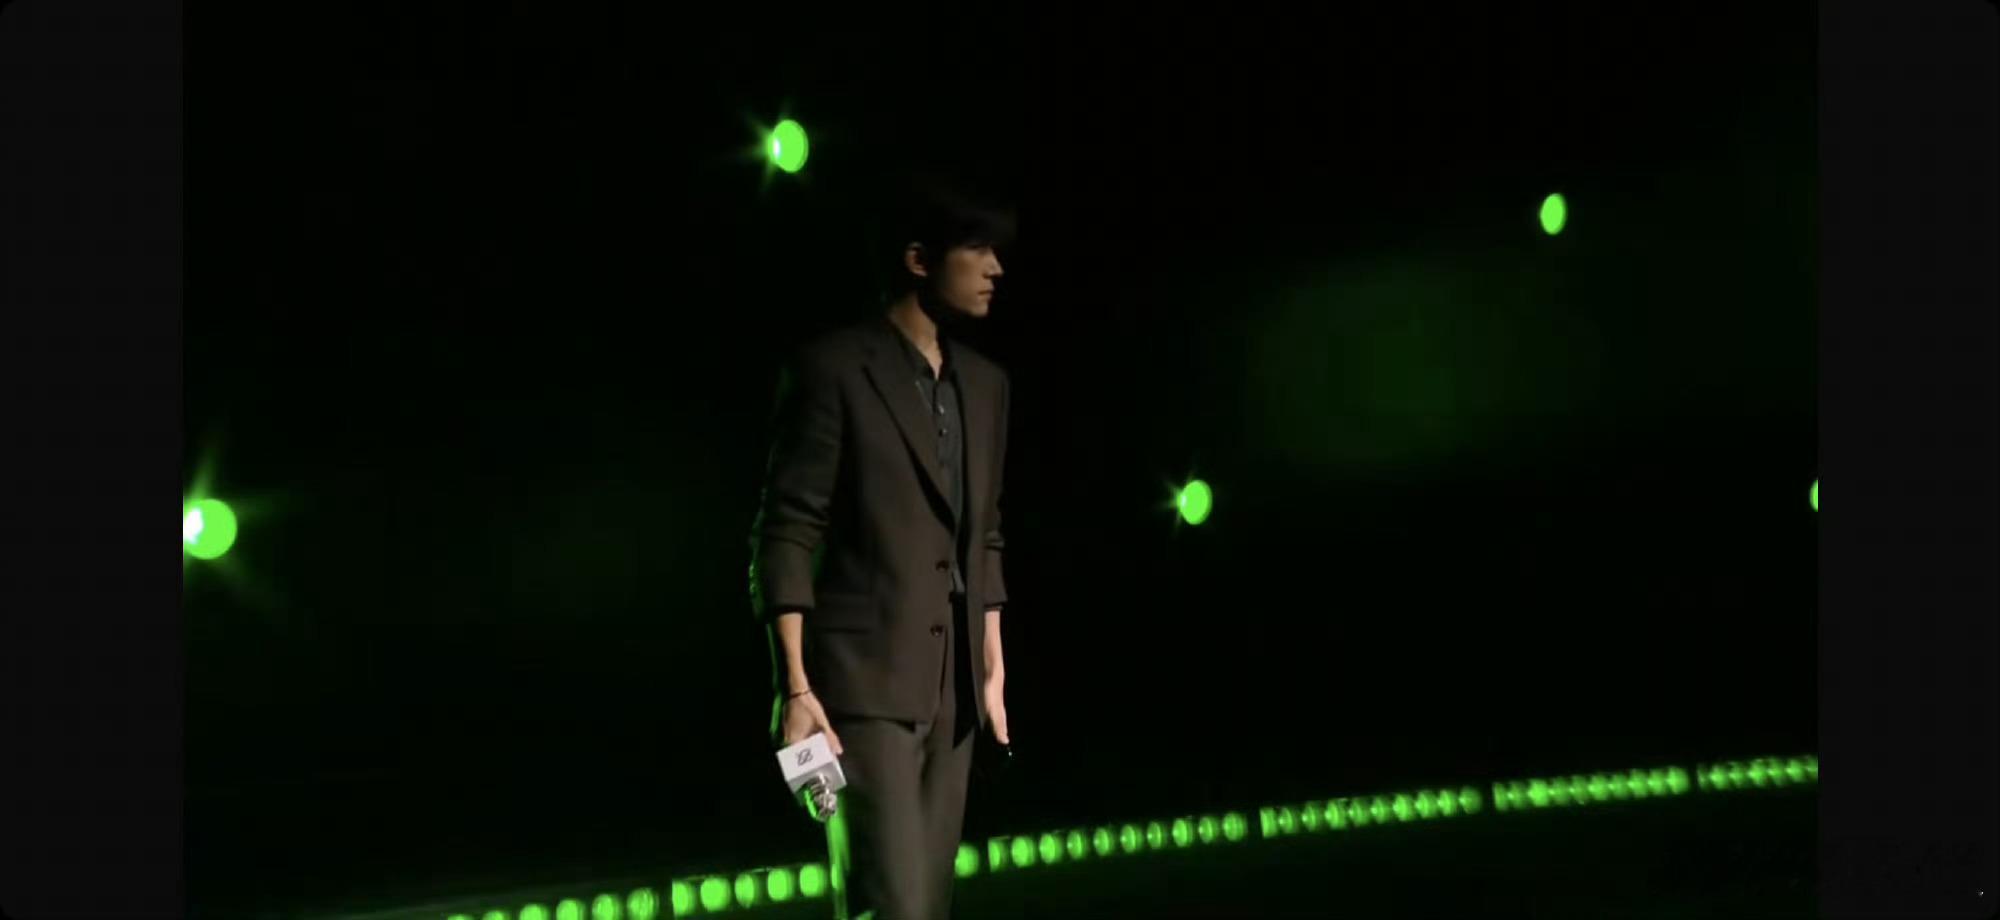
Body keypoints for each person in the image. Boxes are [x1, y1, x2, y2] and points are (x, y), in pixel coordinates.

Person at [748, 183, 1015, 920]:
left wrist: (992, 671)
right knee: (887, 903)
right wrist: (795, 687)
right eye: (977, 248)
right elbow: (788, 526)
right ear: (919, 260)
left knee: (925, 906)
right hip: (859, 689)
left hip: (954, 694)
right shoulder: (834, 368)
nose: (996, 267)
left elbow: (985, 534)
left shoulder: (986, 387)